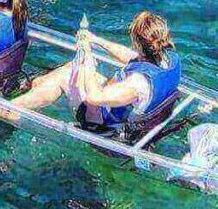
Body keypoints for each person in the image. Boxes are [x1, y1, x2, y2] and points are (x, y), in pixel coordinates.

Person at [10, 11, 180, 134]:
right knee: (70, 68)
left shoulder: (137, 83)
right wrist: (95, 40)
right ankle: (32, 87)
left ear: (137, 42)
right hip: (121, 107)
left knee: (64, 76)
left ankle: (9, 108)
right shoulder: (169, 57)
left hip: (102, 122)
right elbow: (130, 57)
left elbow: (94, 98)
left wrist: (89, 64)